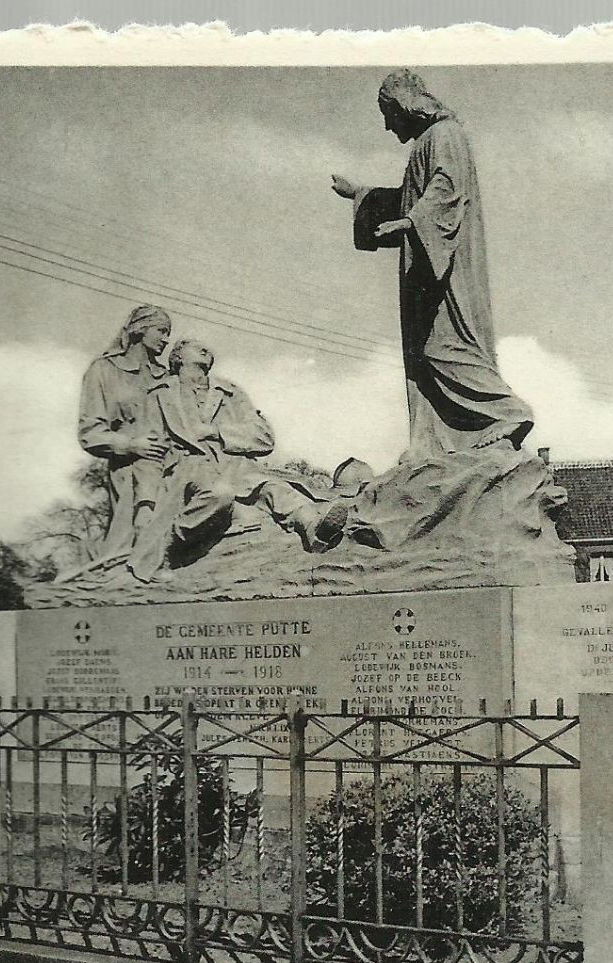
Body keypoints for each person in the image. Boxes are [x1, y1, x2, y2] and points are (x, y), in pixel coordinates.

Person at [330, 69, 534, 461]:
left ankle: (508, 411)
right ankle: (434, 441)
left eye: (388, 113)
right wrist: (360, 194)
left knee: (441, 345)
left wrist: (411, 222)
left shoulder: (445, 135)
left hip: (446, 266)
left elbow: (445, 188)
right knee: (427, 350)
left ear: (405, 105)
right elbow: (410, 198)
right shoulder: (428, 140)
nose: (387, 126)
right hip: (426, 262)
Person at [128, 340, 348, 581]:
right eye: (193, 346)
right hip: (187, 469)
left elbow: (264, 437)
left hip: (237, 466)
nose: (205, 348)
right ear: (178, 358)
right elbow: (149, 452)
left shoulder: (230, 393)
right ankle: (167, 549)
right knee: (220, 494)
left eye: (206, 347)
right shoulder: (159, 394)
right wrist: (144, 503)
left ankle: (314, 529)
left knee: (275, 488)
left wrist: (216, 431)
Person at [77, 305, 173, 557]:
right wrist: (131, 444)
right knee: (132, 543)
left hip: (172, 466)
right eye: (161, 331)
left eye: (168, 333)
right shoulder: (103, 370)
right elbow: (90, 432)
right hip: (127, 469)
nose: (166, 339)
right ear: (140, 329)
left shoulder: (167, 376)